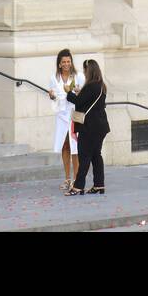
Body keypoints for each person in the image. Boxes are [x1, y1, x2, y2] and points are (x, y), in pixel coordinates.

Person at [66, 58, 110, 195]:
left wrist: (69, 92)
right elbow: (90, 102)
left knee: (84, 156)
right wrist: (80, 93)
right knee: (96, 155)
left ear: (88, 71)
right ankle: (99, 184)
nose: (84, 73)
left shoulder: (91, 86)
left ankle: (78, 186)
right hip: (101, 126)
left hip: (90, 127)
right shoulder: (101, 85)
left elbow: (78, 102)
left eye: (85, 70)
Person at [48, 48, 83, 193]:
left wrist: (77, 92)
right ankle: (67, 178)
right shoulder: (54, 78)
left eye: (69, 61)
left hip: (74, 114)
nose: (67, 64)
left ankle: (77, 178)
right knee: (65, 145)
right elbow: (53, 95)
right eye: (64, 62)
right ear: (60, 64)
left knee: (75, 146)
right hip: (61, 115)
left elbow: (83, 94)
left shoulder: (78, 76)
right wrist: (51, 95)